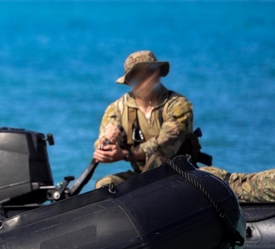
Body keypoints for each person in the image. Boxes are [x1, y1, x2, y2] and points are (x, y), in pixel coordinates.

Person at [93, 50, 275, 201]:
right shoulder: (117, 108)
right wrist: (106, 142)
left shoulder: (178, 104)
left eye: (149, 73)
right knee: (104, 186)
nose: (146, 80)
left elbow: (165, 145)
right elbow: (103, 139)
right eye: (139, 75)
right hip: (143, 177)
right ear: (130, 80)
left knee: (235, 185)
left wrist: (125, 154)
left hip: (181, 173)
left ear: (157, 74)